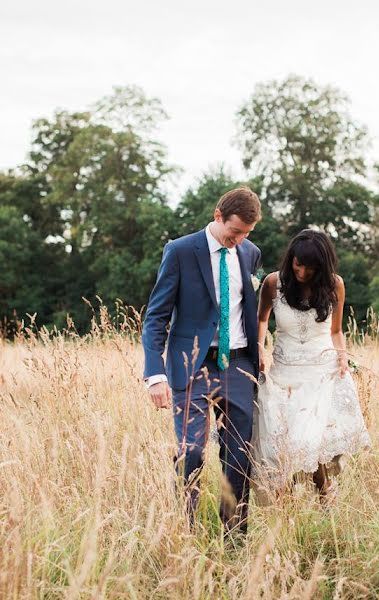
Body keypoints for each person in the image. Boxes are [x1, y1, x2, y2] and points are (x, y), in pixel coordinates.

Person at [141, 187, 262, 537]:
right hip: (191, 366)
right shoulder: (180, 251)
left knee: (238, 456)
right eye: (234, 232)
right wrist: (154, 374)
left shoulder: (249, 253)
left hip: (239, 366)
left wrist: (260, 352)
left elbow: (249, 312)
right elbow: (156, 317)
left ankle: (234, 536)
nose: (238, 241)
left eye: (246, 235)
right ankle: (186, 531)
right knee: (190, 451)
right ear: (218, 216)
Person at [250, 229, 371, 503]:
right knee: (284, 442)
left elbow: (336, 330)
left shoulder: (335, 285)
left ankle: (326, 499)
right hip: (284, 372)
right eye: (298, 264)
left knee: (315, 444)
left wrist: (342, 356)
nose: (302, 272)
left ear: (322, 266)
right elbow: (260, 320)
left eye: (310, 267)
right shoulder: (273, 283)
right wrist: (259, 348)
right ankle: (286, 508)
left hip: (321, 372)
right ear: (290, 259)